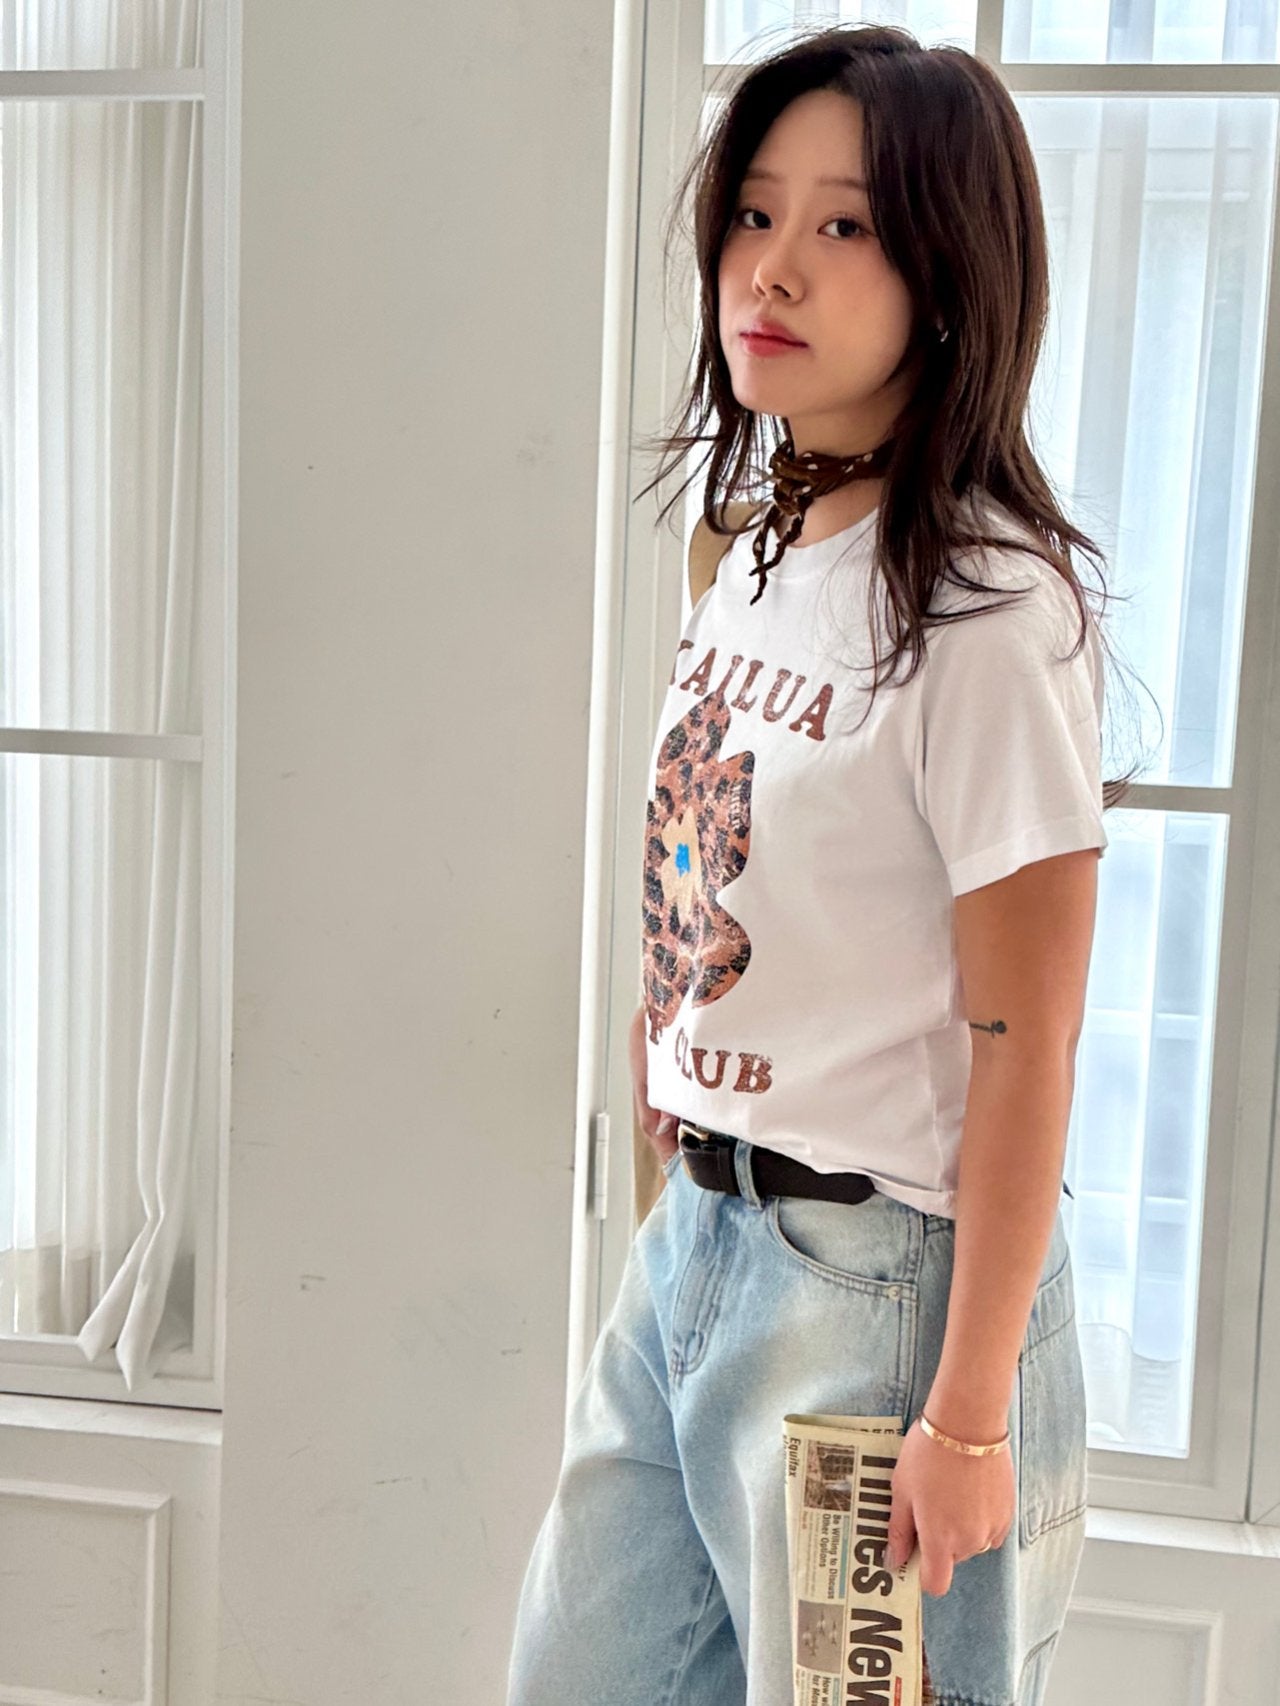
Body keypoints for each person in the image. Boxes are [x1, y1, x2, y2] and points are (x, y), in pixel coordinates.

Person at [507, 22, 1139, 1706]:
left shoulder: (991, 611)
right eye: (754, 212)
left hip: (881, 1290)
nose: (771, 267)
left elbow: (1030, 1040)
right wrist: (675, 1068)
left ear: (948, 274)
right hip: (698, 1249)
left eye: (844, 224)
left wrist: (971, 1413)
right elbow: (718, 846)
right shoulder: (755, 550)